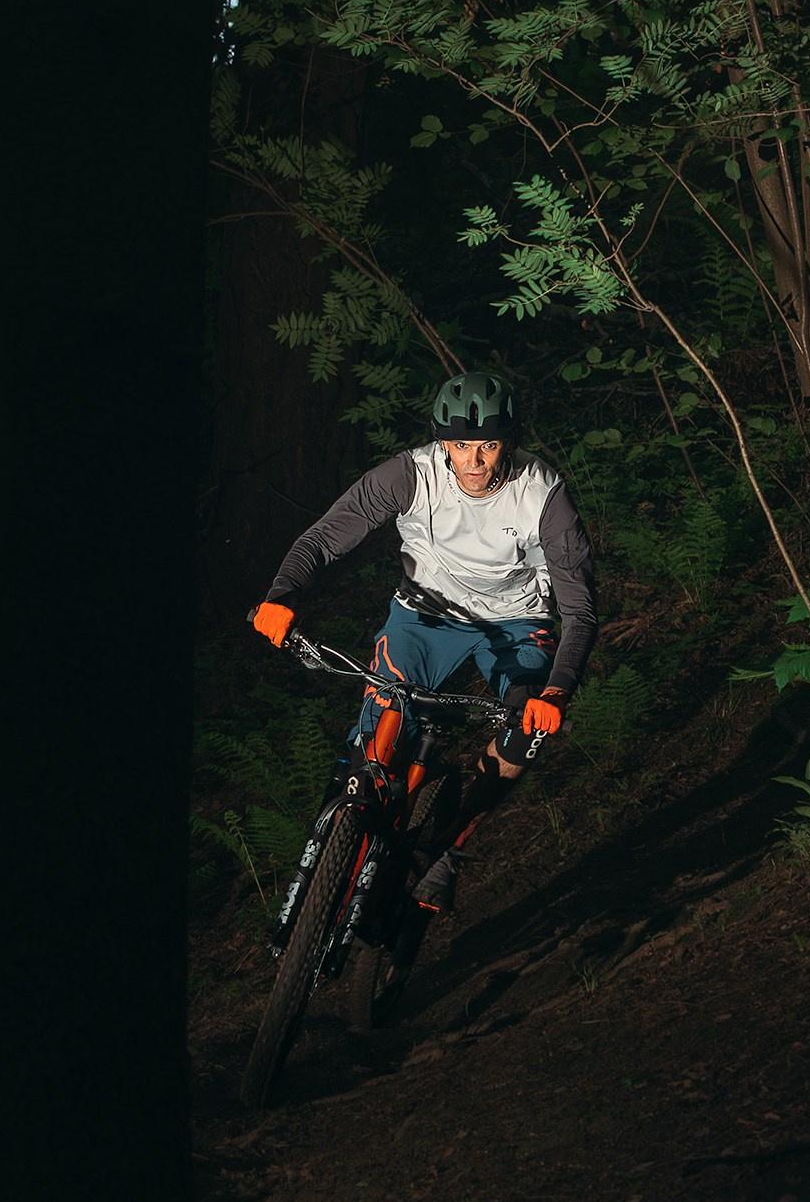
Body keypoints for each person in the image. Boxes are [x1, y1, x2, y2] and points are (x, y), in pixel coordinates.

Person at [251, 368, 598, 915]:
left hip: (515, 620)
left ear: (509, 443)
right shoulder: (410, 475)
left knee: (526, 728)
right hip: (424, 614)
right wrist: (281, 596)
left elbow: (579, 609)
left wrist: (556, 691)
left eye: (487, 446)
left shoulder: (543, 494)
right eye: (460, 445)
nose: (474, 461)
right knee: (381, 718)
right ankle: (334, 843)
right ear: (442, 442)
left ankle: (447, 848)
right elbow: (325, 537)